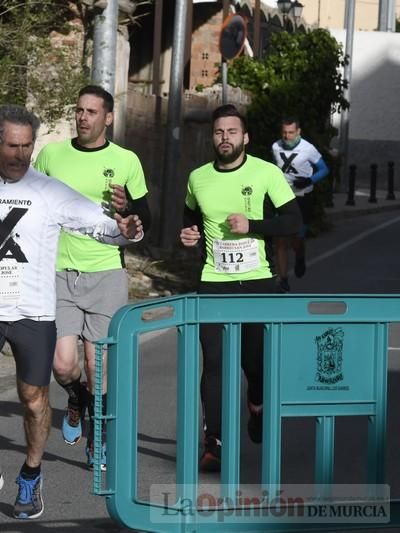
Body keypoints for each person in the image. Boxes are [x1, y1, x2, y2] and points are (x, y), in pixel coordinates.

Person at [0, 104, 143, 519]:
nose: (20, 155)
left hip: (33, 312)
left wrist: (124, 233)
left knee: (33, 401)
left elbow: (97, 224)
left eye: (27, 146)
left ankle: (31, 473)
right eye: (12, 146)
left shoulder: (49, 191)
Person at [33, 84, 150, 471]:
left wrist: (128, 208)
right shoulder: (51, 155)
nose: (83, 117)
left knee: (98, 364)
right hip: (60, 271)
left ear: (108, 117)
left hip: (105, 272)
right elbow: (33, 204)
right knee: (63, 365)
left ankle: (98, 437)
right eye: (79, 110)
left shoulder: (127, 160)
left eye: (91, 112)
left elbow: (143, 219)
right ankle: (76, 398)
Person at [179, 104, 301, 472]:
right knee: (214, 363)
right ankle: (213, 442)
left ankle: (257, 405)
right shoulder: (198, 178)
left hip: (259, 281)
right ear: (212, 137)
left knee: (255, 364)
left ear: (245, 137)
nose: (225, 138)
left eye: (232, 132)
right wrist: (189, 234)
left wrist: (254, 225)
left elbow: (293, 222)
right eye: (219, 132)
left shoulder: (266, 173)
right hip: (215, 281)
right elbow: (190, 217)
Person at [270, 117, 330, 292]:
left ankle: (300, 255)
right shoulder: (275, 146)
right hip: (281, 197)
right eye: (284, 133)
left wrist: (309, 180)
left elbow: (325, 169)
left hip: (302, 197)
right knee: (280, 239)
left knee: (296, 239)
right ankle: (283, 278)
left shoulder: (308, 148)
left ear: (298, 132)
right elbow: (275, 168)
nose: (287, 137)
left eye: (291, 133)